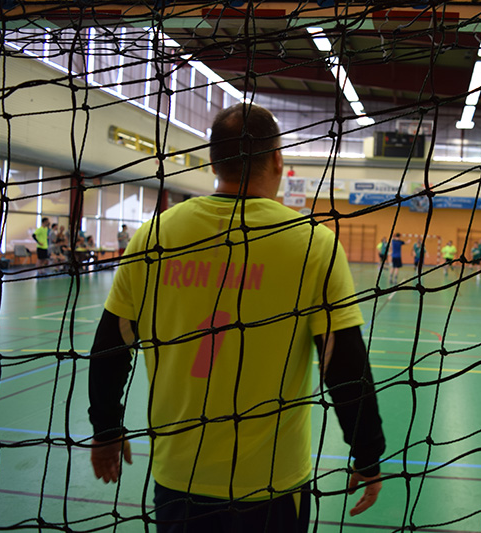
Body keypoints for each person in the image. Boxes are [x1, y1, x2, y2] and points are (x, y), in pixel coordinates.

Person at [87, 103, 385, 532]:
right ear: (278, 160)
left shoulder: (153, 237)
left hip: (181, 477)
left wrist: (106, 429)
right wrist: (367, 453)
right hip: (273, 484)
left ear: (213, 160)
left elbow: (110, 345)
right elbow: (344, 363)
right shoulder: (312, 244)